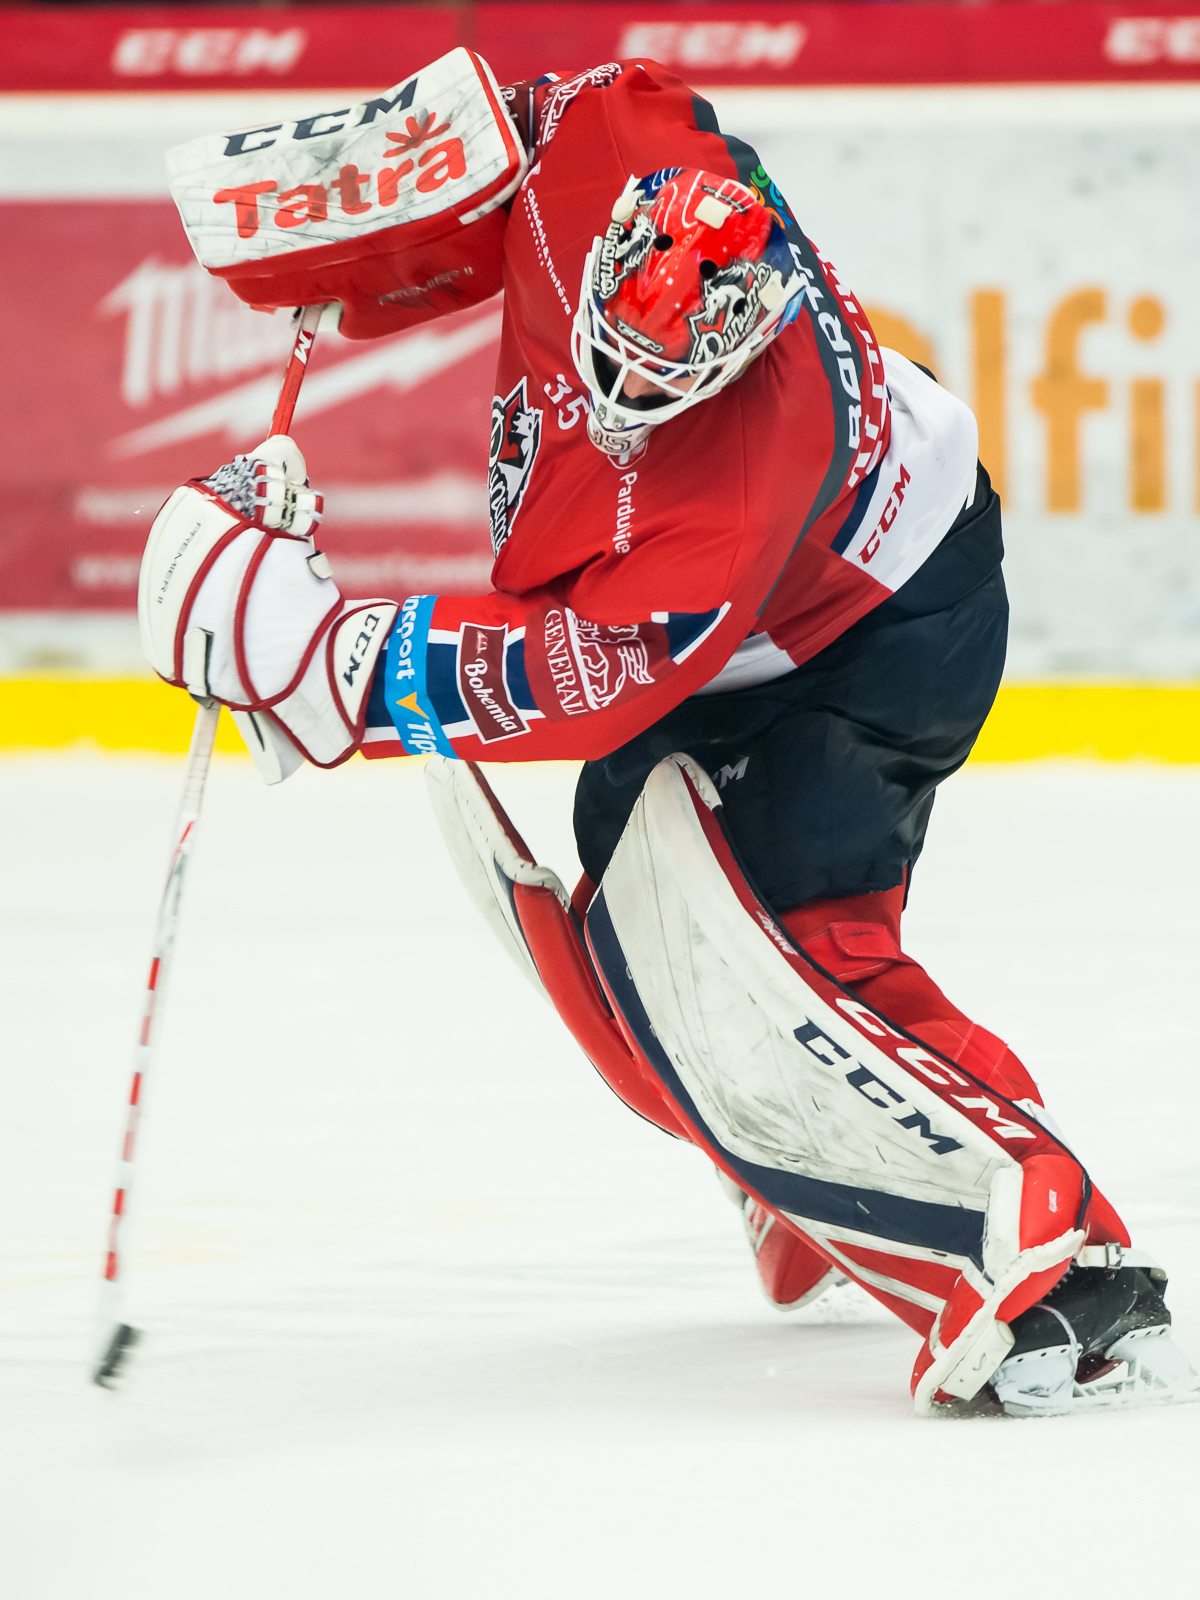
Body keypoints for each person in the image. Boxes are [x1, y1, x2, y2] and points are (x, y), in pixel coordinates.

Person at [139, 58, 1195, 1416]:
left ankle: (1052, 1258)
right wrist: (376, 206)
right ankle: (796, 1176)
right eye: (615, 345)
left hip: (870, 638)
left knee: (752, 962)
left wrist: (320, 661)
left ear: (746, 338)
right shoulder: (610, 141)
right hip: (778, 616)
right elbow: (519, 127)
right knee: (636, 979)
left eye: (668, 378)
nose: (626, 389)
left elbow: (578, 677)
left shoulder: (745, 476)